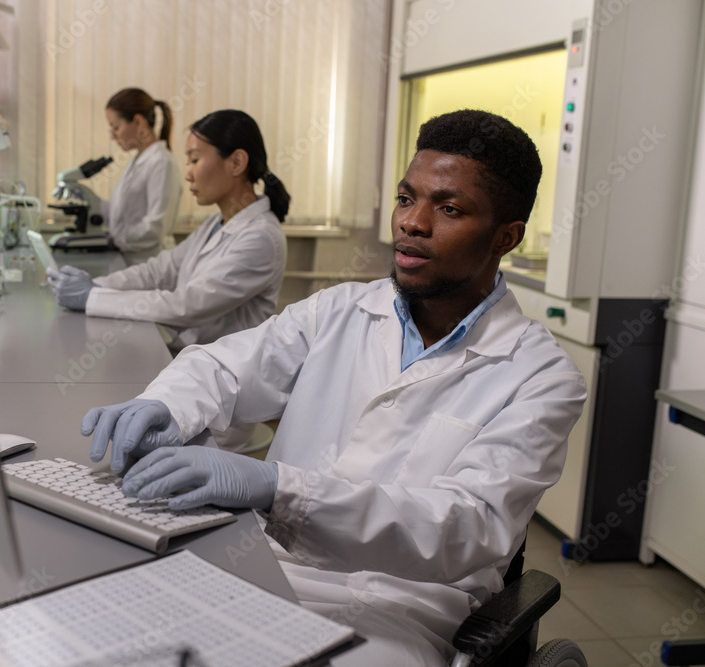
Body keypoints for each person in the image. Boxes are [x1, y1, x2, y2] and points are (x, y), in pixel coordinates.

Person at [77, 110, 588, 665]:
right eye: (404, 198)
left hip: (396, 612)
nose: (411, 223)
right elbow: (226, 366)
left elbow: (466, 527)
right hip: (263, 565)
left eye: (448, 208)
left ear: (506, 237)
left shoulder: (541, 377)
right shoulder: (340, 309)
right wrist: (165, 404)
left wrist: (278, 488)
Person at [49, 108, 290, 451]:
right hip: (191, 374)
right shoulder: (217, 224)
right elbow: (159, 270)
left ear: (236, 162)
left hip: (219, 402)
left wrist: (90, 299)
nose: (188, 174)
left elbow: (186, 306)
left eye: (194, 160)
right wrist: (98, 284)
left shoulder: (261, 238)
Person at [100, 88, 183, 257]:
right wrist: (90, 201)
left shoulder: (161, 162)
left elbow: (155, 228)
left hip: (150, 263)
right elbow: (121, 216)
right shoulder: (138, 161)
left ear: (138, 121)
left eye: (116, 127)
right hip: (132, 262)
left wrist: (117, 240)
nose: (113, 136)